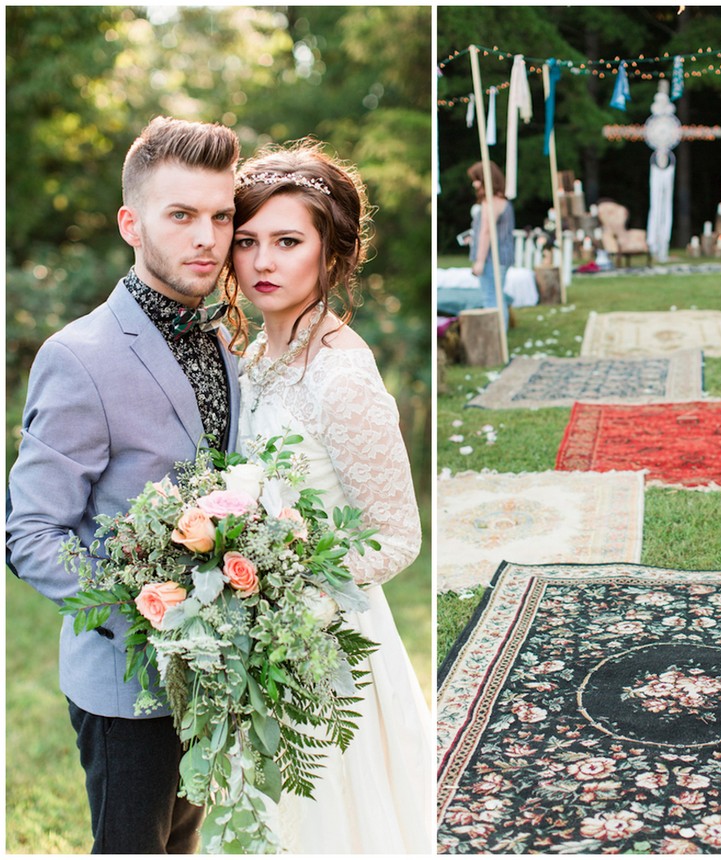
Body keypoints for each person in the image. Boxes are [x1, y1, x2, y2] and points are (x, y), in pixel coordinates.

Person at [8, 116, 242, 853]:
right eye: (182, 215)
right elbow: (29, 534)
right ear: (131, 224)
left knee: (182, 846)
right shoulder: (78, 356)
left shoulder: (227, 336)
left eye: (221, 215)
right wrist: (145, 614)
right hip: (125, 683)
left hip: (214, 672)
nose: (208, 236)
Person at [222, 142, 431, 851]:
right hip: (252, 636)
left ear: (329, 252)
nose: (263, 262)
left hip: (326, 644)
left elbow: (398, 534)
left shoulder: (340, 375)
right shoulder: (255, 356)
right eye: (247, 242)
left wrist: (297, 580)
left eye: (287, 241)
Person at [467, 160, 514, 308]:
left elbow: (486, 231)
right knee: (497, 297)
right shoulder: (502, 200)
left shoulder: (491, 201)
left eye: (476, 180)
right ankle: (500, 330)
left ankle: (496, 331)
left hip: (492, 258)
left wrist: (480, 261)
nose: (474, 184)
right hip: (502, 256)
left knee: (491, 298)